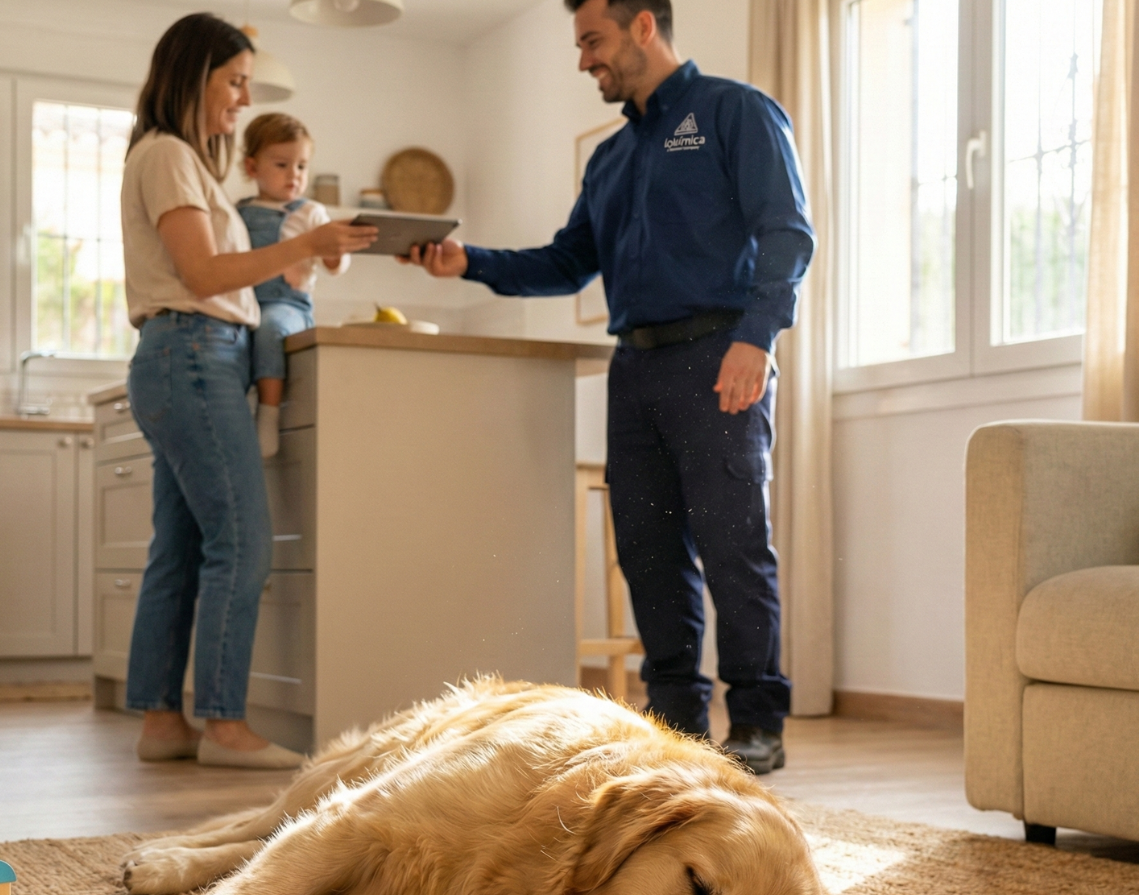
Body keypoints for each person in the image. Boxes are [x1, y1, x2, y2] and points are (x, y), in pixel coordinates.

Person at [403, 0, 813, 774]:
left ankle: (757, 723)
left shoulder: (734, 113)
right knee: (650, 554)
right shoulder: (611, 160)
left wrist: (756, 338)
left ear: (644, 28)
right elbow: (566, 263)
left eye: (593, 40)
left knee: (734, 551)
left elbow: (786, 231)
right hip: (637, 370)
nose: (584, 59)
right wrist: (473, 263)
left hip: (719, 359)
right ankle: (677, 726)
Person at [120, 13, 376, 767]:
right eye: (233, 81)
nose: (241, 97)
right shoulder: (168, 154)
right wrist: (307, 244)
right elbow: (202, 275)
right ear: (191, 76)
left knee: (180, 549)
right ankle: (226, 727)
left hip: (182, 358)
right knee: (243, 544)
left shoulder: (177, 160)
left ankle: (164, 723)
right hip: (194, 355)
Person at [237, 113, 350, 459]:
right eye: (282, 164)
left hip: (289, 306)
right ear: (252, 167)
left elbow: (337, 263)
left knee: (272, 329)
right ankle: (240, 407)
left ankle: (269, 414)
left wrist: (333, 256)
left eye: (302, 166)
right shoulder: (239, 213)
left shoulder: (311, 212)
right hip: (244, 303)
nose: (294, 176)